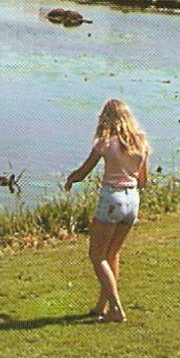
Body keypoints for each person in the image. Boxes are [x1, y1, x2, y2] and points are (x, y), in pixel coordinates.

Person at [64, 98, 150, 322]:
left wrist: (70, 179)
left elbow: (83, 172)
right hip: (133, 200)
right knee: (112, 254)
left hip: (112, 197)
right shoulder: (141, 143)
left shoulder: (104, 143)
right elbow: (143, 181)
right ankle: (102, 306)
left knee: (97, 255)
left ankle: (116, 309)